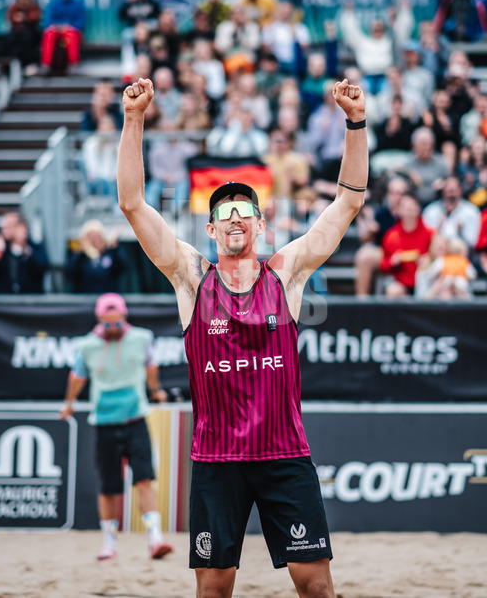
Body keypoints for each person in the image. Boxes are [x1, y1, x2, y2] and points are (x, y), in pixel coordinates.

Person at [117, 76, 368, 597]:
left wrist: (355, 123)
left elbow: (346, 204)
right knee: (213, 590)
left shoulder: (287, 274)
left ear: (260, 224)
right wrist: (134, 120)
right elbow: (133, 204)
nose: (234, 215)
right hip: (216, 460)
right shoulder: (192, 277)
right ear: (210, 230)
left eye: (244, 210)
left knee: (317, 587)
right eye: (223, 211)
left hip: (284, 455)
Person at [58, 293, 173, 561]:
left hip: (135, 419)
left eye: (116, 322)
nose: (112, 328)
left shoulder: (142, 338)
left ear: (124, 317)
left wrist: (155, 390)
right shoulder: (87, 345)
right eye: (107, 323)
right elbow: (77, 376)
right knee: (108, 487)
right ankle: (109, 542)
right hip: (104, 422)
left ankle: (155, 537)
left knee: (144, 479)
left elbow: (151, 365)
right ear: (100, 320)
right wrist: (69, 403)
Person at [379, 191, 435, 298]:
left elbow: (440, 257)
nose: (409, 210)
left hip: (427, 281)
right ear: (399, 210)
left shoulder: (430, 234)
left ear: (418, 209)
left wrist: (429, 260)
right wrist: (392, 261)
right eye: (405, 207)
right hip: (401, 282)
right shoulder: (391, 236)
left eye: (412, 207)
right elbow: (383, 265)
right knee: (393, 291)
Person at [0, 211, 48, 294]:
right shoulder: (1, 249)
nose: (4, 228)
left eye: (9, 225)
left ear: (22, 226)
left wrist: (25, 250)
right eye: (4, 225)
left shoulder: (34, 247)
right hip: (4, 302)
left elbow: (42, 267)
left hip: (31, 302)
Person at [65, 220, 128, 294]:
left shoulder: (110, 253)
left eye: (97, 237)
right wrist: (80, 253)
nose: (94, 241)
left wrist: (114, 247)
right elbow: (70, 274)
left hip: (108, 299)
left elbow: (122, 269)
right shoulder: (80, 257)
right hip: (83, 300)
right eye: (90, 237)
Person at [41, 0, 86, 72]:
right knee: (49, 34)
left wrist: (69, 26)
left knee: (71, 34)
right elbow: (47, 20)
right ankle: (46, 64)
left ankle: (74, 64)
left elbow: (81, 22)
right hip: (55, 30)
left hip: (70, 30)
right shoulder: (53, 3)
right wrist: (54, 26)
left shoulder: (78, 4)